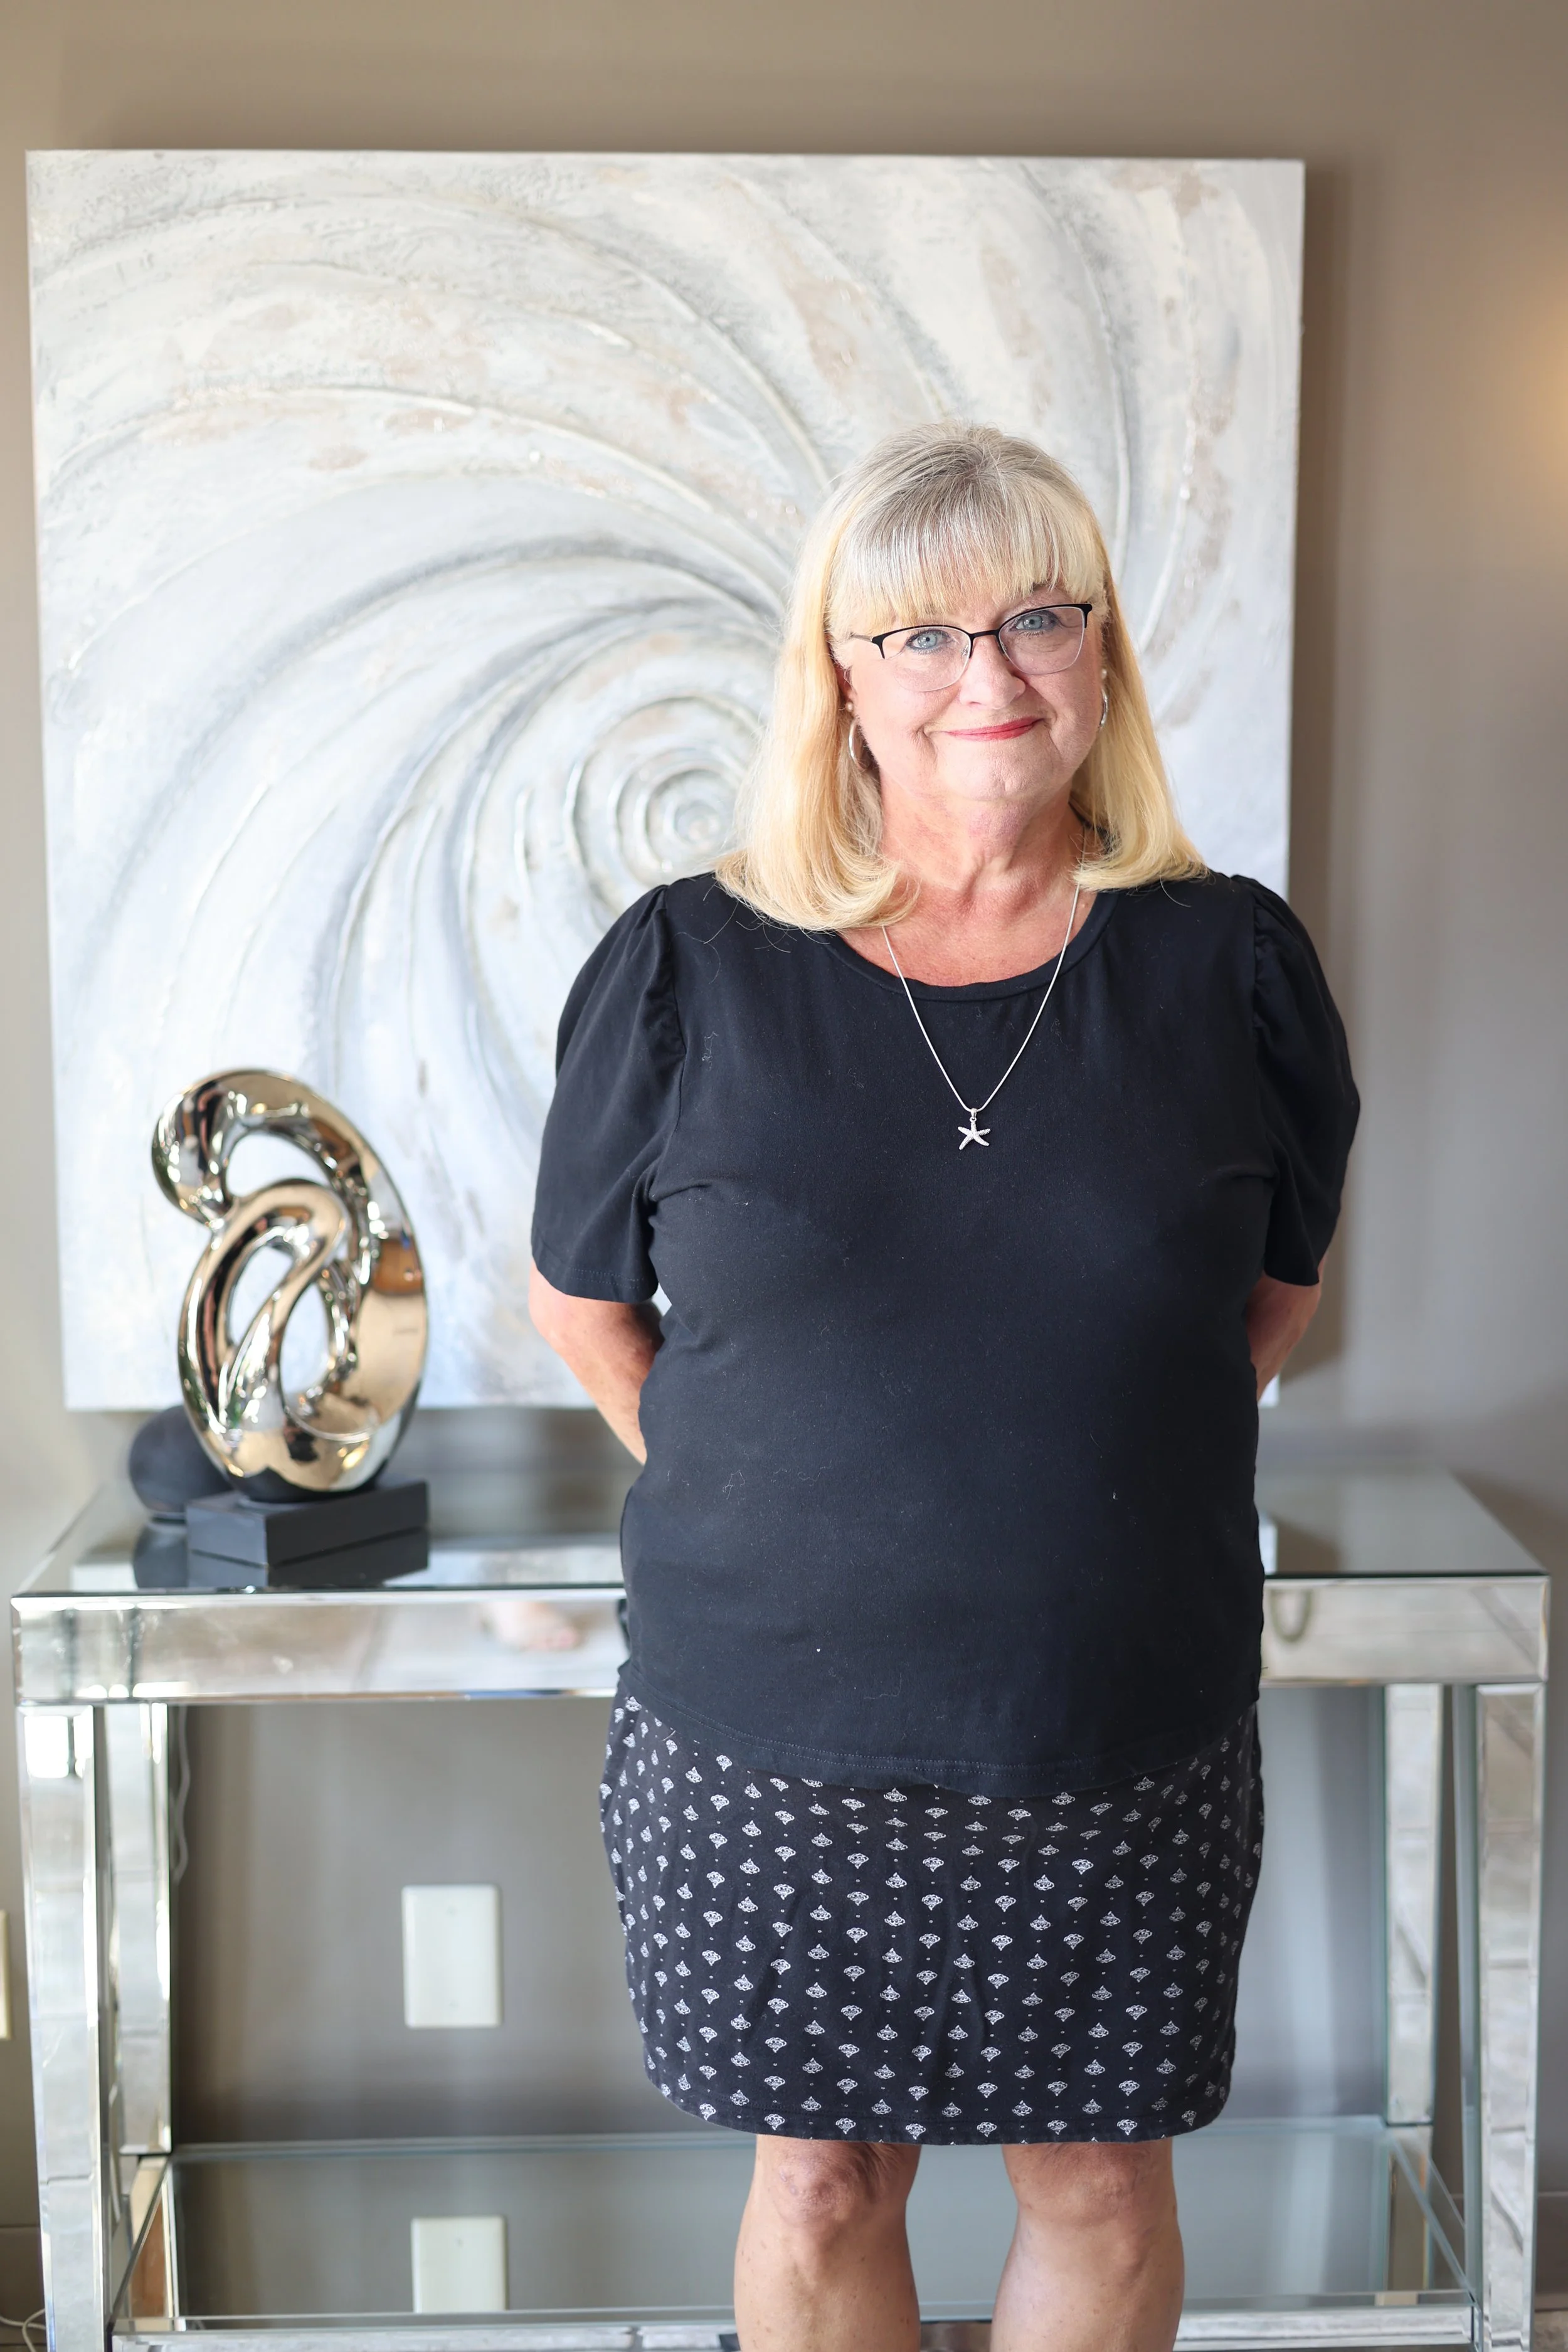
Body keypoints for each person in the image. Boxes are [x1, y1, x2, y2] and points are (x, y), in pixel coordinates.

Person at [528, 422, 1359, 2352]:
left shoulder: (1228, 964)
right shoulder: (686, 966)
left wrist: (1073, 1494)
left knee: (1098, 2178)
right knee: (821, 2178)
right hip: (767, 1728)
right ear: (840, 674)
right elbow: (582, 1309)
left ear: (1100, 655)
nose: (983, 673)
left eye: (1036, 617)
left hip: (1110, 1713)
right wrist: (784, 1502)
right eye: (917, 632)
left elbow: (1264, 1301)